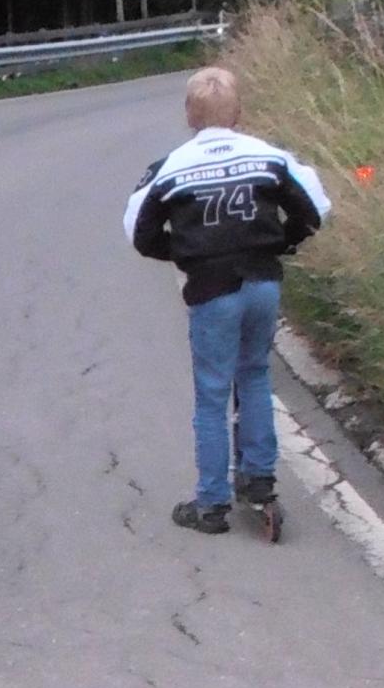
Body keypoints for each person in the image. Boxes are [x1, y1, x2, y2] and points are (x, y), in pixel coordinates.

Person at [121, 64, 330, 533]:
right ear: (238, 113)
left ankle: (211, 503)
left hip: (212, 289)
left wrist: (182, 253)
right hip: (262, 282)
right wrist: (283, 241)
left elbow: (138, 232)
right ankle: (259, 480)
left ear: (189, 115)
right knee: (254, 376)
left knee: (212, 394)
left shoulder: (170, 167)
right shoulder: (270, 157)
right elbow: (316, 209)